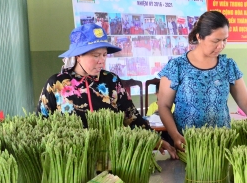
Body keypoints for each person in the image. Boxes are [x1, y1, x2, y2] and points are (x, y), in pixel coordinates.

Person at [37, 23, 177, 158]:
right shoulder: (56, 84)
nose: (101, 61)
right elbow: (42, 124)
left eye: (104, 55)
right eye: (96, 55)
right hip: (72, 160)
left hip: (111, 157)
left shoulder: (111, 81)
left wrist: (155, 139)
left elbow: (132, 117)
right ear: (78, 55)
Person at [157, 11, 247, 151]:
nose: (221, 46)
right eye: (215, 41)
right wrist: (175, 136)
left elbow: (246, 102)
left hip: (221, 144)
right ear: (200, 37)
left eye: (225, 40)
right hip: (187, 144)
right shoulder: (177, 66)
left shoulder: (228, 66)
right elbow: (164, 105)